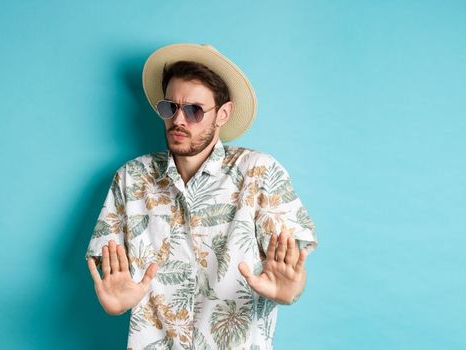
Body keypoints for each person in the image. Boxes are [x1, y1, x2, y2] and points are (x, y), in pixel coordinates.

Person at [85, 43, 318, 349]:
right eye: (170, 107)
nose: (178, 120)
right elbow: (112, 274)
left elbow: (291, 273)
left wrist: (292, 290)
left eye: (194, 110)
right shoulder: (131, 178)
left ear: (223, 113)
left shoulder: (260, 173)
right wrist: (116, 301)